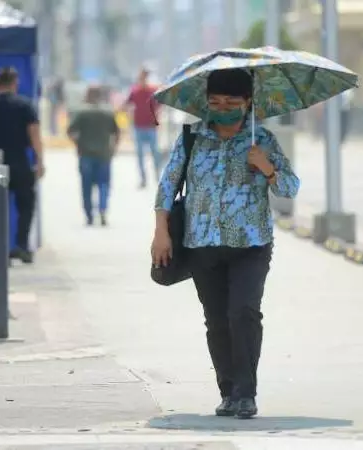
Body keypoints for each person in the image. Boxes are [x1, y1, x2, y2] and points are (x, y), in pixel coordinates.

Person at [151, 68, 300, 419]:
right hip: (202, 244)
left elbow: (289, 189)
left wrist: (266, 168)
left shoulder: (261, 139)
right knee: (217, 320)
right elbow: (167, 185)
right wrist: (161, 231)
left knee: (243, 313)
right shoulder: (191, 138)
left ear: (248, 102)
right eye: (215, 102)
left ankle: (246, 392)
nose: (222, 108)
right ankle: (228, 390)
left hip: (251, 245)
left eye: (231, 102)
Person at [0, 66, 45, 264]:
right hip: (19, 160)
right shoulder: (24, 105)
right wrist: (40, 161)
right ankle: (21, 245)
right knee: (26, 204)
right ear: (15, 83)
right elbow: (34, 134)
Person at [68, 85, 120, 226]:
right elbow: (116, 132)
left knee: (86, 187)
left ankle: (89, 215)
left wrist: (77, 144)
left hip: (85, 155)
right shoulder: (108, 112)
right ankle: (102, 210)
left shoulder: (81, 112)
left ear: (88, 94)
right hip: (104, 155)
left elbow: (70, 131)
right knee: (104, 185)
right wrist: (114, 148)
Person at [124, 68, 161, 188]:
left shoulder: (153, 90)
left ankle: (157, 175)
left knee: (155, 152)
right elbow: (126, 104)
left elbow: (160, 104)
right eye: (141, 77)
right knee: (140, 154)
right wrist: (129, 115)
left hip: (151, 126)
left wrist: (157, 115)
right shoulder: (134, 91)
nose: (143, 79)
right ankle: (143, 178)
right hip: (138, 126)